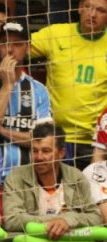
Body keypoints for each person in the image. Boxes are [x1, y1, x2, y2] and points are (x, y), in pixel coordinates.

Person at [29, 0, 107, 166]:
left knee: (92, 191)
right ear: (79, 8)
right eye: (88, 7)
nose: (92, 15)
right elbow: (13, 46)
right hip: (56, 138)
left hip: (95, 143)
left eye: (100, 10)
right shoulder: (56, 34)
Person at [0, 20, 52, 176]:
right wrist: (7, 86)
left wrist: (1, 129)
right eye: (5, 43)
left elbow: (42, 140)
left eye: (17, 44)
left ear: (27, 48)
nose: (9, 50)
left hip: (27, 177)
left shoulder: (39, 90)